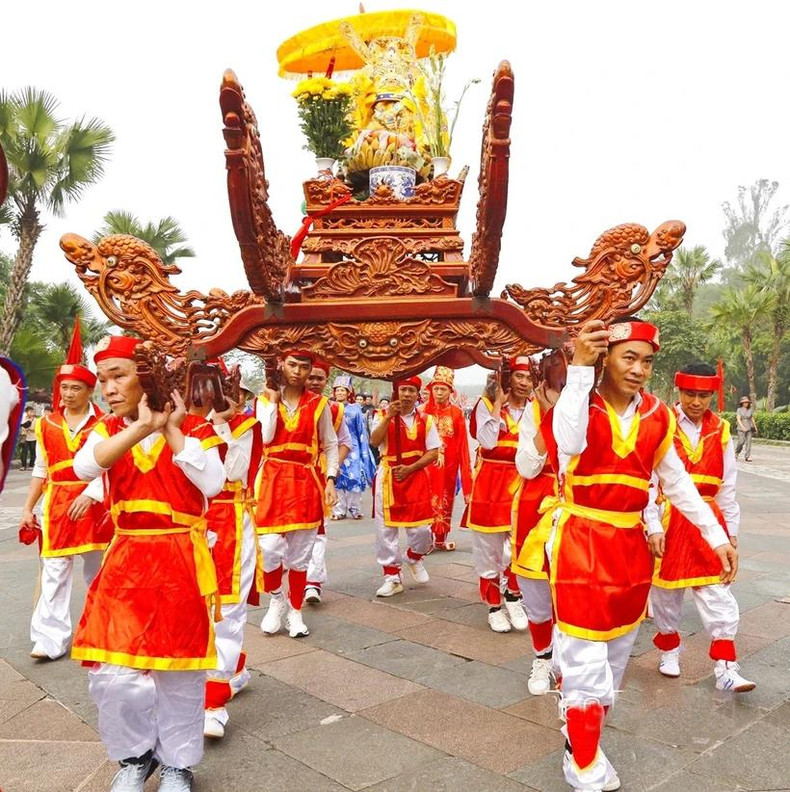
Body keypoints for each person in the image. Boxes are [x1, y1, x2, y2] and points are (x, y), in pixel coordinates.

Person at [518, 318, 737, 792]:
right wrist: (578, 368)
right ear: (605, 358)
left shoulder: (659, 416)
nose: (639, 369)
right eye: (628, 357)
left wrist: (716, 535)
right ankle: (581, 760)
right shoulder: (580, 404)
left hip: (630, 550)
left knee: (616, 655)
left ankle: (582, 738)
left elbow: (677, 483)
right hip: (580, 539)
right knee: (582, 654)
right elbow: (570, 442)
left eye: (647, 361)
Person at [72, 335, 226, 792]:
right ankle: (136, 756)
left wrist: (170, 429)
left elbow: (214, 482)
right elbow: (84, 468)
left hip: (179, 560)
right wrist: (139, 429)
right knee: (113, 675)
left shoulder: (194, 430)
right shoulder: (109, 431)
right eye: (103, 380)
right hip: (126, 562)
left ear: (148, 376)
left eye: (119, 375)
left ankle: (178, 763)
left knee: (179, 673)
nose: (109, 388)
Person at [649, 363, 754, 692]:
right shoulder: (661, 423)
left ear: (712, 395)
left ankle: (726, 667)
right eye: (690, 394)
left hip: (709, 523)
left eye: (704, 395)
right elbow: (649, 481)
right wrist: (652, 523)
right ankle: (669, 650)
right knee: (666, 597)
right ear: (678, 391)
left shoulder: (721, 430)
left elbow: (728, 489)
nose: (696, 401)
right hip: (669, 519)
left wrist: (730, 535)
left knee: (719, 597)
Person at [190, 366, 264, 740]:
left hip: (230, 519)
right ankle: (230, 671)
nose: (211, 397)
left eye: (219, 391)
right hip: (185, 522)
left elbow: (231, 473)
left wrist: (218, 426)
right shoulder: (179, 424)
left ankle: (213, 702)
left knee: (226, 608)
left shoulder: (245, 429)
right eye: (204, 390)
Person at [21, 360, 112, 661]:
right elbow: (40, 469)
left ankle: (100, 630)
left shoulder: (106, 424)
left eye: (76, 388)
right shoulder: (45, 424)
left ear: (90, 391)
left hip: (95, 504)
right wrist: (28, 508)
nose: (68, 393)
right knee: (54, 572)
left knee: (97, 571)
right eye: (64, 387)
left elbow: (114, 466)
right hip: (58, 503)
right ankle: (50, 639)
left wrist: (92, 493)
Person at [255, 350, 338, 638]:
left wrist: (330, 480)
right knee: (268, 547)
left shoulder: (319, 404)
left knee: (301, 554)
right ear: (281, 365)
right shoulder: (265, 399)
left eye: (304, 367)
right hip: (272, 479)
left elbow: (330, 444)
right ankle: (276, 597)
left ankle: (296, 611)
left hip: (305, 479)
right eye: (292, 365)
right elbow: (265, 436)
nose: (298, 372)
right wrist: (272, 401)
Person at [466, 359, 533, 634]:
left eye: (529, 378)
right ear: (507, 378)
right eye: (519, 376)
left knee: (519, 546)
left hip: (522, 482)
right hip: (491, 484)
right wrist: (496, 403)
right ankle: (494, 606)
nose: (525, 383)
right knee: (489, 550)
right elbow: (489, 443)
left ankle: (513, 595)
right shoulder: (486, 405)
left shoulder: (535, 409)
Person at [369, 376, 440, 597]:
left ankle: (414, 556)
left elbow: (434, 451)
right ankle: (392, 576)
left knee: (422, 530)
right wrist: (389, 417)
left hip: (415, 475)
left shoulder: (426, 420)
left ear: (417, 394)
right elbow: (374, 441)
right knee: (386, 529)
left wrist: (411, 468)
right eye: (403, 390)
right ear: (396, 392)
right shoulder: (382, 415)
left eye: (411, 390)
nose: (406, 394)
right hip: (389, 476)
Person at [512, 380, 559, 694]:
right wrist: (552, 416)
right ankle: (542, 658)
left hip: (584, 504)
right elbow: (527, 466)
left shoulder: (604, 406)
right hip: (537, 505)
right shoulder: (534, 409)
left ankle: (571, 667)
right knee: (537, 591)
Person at [304, 360, 352, 604]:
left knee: (319, 529)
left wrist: (332, 468)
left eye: (319, 378)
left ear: (327, 382)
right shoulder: (285, 403)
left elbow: (344, 442)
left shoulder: (333, 410)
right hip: (284, 474)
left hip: (320, 473)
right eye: (310, 376)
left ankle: (312, 582)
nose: (313, 382)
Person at [421, 366, 471, 551]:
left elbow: (463, 447)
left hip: (448, 468)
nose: (439, 392)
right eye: (436, 388)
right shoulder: (422, 412)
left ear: (450, 391)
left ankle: (441, 538)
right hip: (425, 467)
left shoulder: (457, 413)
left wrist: (467, 481)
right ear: (430, 389)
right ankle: (424, 541)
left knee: (445, 500)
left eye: (443, 389)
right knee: (425, 500)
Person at [330, 375, 376, 521]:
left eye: (343, 390)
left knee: (354, 478)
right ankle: (339, 510)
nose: (340, 393)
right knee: (336, 478)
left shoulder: (355, 410)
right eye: (337, 390)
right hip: (335, 446)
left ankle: (355, 508)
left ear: (349, 392)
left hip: (353, 448)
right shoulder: (329, 408)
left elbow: (361, 432)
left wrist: (364, 452)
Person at [735, 395, 756, 461]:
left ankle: (747, 456)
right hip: (741, 428)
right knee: (741, 442)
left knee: (749, 442)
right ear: (742, 403)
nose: (746, 403)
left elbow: (752, 418)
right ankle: (737, 452)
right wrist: (743, 427)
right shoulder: (739, 410)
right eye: (744, 402)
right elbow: (738, 419)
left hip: (749, 427)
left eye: (747, 402)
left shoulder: (750, 410)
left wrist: (755, 426)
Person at [20, 405, 37, 470]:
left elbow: (33, 428)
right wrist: (26, 427)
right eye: (30, 412)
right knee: (24, 452)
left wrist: (26, 427)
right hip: (25, 437)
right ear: (27, 412)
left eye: (33, 412)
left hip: (33, 438)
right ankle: (23, 466)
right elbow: (22, 426)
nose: (32, 413)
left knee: (33, 452)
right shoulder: (23, 418)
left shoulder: (35, 420)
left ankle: (31, 465)